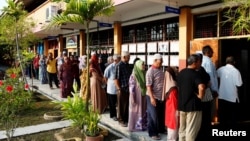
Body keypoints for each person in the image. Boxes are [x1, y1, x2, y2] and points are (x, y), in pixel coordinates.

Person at [177, 54, 205, 141]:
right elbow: (201, 87)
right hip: (193, 106)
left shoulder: (181, 72)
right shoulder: (195, 74)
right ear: (194, 63)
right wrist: (200, 96)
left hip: (182, 105)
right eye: (199, 62)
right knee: (191, 130)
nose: (200, 64)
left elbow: (179, 86)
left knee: (182, 129)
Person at [217, 56, 243, 129]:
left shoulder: (220, 69)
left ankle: (221, 131)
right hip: (232, 97)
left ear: (226, 62)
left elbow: (216, 77)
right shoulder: (236, 71)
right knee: (232, 117)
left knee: (222, 117)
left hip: (222, 96)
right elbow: (239, 84)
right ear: (234, 62)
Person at [146, 53, 165, 140]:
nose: (161, 63)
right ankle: (153, 133)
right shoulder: (150, 71)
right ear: (154, 61)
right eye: (159, 62)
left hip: (160, 97)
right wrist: (152, 98)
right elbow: (149, 86)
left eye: (161, 62)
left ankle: (160, 129)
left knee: (160, 114)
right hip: (152, 96)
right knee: (153, 116)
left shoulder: (161, 69)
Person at [196, 53, 212, 141]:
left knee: (202, 115)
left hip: (203, 94)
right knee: (206, 115)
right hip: (206, 93)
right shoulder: (202, 69)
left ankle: (202, 133)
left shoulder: (199, 70)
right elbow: (209, 82)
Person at [128, 60, 147, 131]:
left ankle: (142, 126)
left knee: (142, 110)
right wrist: (133, 98)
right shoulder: (133, 75)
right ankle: (133, 126)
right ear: (138, 66)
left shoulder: (144, 73)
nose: (144, 66)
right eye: (142, 65)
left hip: (143, 95)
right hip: (136, 96)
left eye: (144, 65)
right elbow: (131, 88)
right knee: (135, 111)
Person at [114, 51, 131, 127]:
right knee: (121, 106)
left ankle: (126, 119)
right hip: (122, 89)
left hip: (128, 88)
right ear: (124, 57)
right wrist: (119, 89)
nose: (129, 58)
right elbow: (116, 79)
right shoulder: (119, 65)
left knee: (126, 105)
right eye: (128, 57)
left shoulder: (127, 65)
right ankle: (121, 120)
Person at [162, 67, 179, 141]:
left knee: (170, 124)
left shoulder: (168, 87)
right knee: (173, 124)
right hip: (173, 110)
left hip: (169, 110)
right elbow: (175, 103)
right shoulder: (173, 88)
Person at [103, 54, 120, 121]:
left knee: (117, 103)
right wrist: (108, 84)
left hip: (118, 88)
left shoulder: (119, 66)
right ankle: (113, 115)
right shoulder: (109, 67)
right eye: (119, 59)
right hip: (111, 88)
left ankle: (118, 114)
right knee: (112, 103)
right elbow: (105, 77)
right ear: (115, 60)